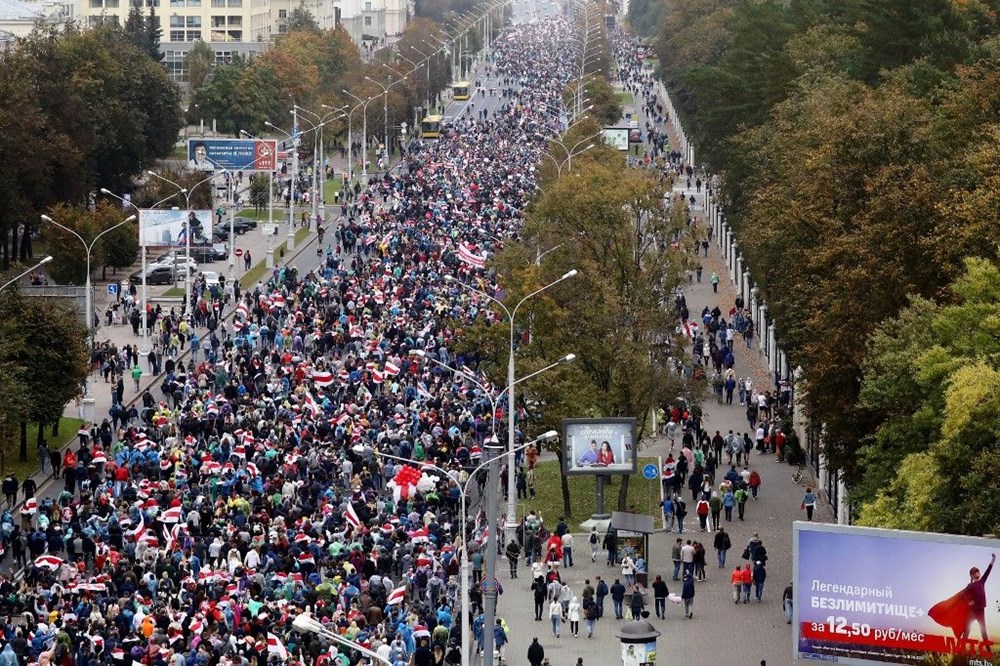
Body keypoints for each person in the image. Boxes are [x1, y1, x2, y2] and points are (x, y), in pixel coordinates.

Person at [929, 553, 996, 640]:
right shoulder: (970, 585)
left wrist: (993, 560)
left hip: (981, 610)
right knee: (967, 630)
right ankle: (961, 650)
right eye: (975, 572)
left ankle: (989, 652)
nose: (978, 573)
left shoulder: (982, 581)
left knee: (983, 631)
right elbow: (963, 594)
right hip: (972, 611)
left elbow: (988, 571)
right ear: (972, 576)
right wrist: (969, 601)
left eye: (978, 571)